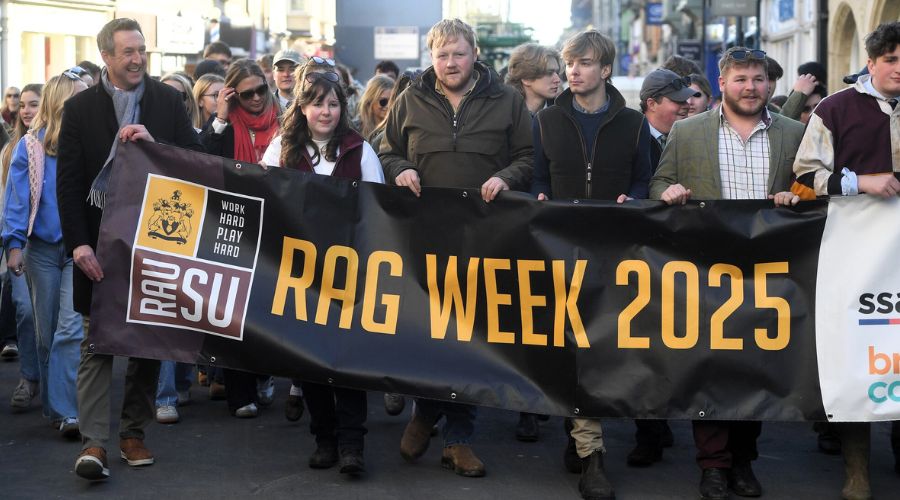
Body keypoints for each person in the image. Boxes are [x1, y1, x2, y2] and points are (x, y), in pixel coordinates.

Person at [650, 46, 805, 500]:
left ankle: (743, 460)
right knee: (710, 368)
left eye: (757, 79)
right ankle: (713, 465)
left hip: (769, 272)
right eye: (740, 79)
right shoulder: (688, 131)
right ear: (723, 84)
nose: (750, 87)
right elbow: (658, 183)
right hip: (707, 268)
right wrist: (669, 190)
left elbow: (813, 184)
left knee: (756, 369)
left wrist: (796, 196)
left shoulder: (794, 133)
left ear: (768, 83)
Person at [380, 18, 533, 478]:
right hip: (424, 241)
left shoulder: (507, 100)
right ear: (432, 58)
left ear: (475, 54)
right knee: (429, 337)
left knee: (473, 341)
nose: (451, 62)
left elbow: (529, 158)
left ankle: (456, 438)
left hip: (486, 240)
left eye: (459, 53)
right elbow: (384, 150)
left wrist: (505, 178)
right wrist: (400, 168)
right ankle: (427, 411)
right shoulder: (409, 99)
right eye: (442, 54)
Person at [56, 18, 203, 481]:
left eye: (142, 49)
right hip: (97, 243)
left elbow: (198, 163)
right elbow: (69, 184)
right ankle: (95, 442)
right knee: (95, 343)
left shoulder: (167, 100)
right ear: (106, 57)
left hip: (157, 241)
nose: (138, 58)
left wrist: (155, 148)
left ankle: (132, 433)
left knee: (146, 340)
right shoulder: (80, 110)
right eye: (128, 52)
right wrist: (78, 243)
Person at [531, 30, 651, 500]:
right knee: (572, 347)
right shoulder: (545, 120)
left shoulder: (634, 123)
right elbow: (540, 175)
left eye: (582, 63)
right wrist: (539, 196)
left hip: (616, 254)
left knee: (603, 351)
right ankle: (591, 454)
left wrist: (633, 199)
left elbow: (644, 180)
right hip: (561, 249)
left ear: (604, 69)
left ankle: (582, 442)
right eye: (568, 64)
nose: (572, 72)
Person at [792, 21, 900, 500]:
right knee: (863, 361)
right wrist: (863, 182)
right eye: (892, 59)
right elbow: (804, 177)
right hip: (857, 255)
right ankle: (857, 471)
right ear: (872, 63)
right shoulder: (835, 109)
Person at [262, 74, 384, 476]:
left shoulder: (359, 150)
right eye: (316, 104)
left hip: (348, 274)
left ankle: (353, 444)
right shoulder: (282, 147)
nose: (325, 112)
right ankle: (324, 438)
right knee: (310, 361)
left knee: (348, 359)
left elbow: (377, 208)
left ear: (342, 107)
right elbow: (262, 196)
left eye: (332, 104)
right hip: (298, 274)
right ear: (302, 107)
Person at [2, 72, 88, 439]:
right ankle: (56, 406)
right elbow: (17, 199)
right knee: (45, 330)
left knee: (70, 329)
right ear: (63, 103)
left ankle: (68, 412)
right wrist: (13, 245)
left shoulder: (87, 143)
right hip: (39, 248)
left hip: (77, 249)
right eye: (81, 99)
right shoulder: (29, 146)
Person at [200, 59, 279, 418]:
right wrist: (219, 115)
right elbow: (200, 159)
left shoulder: (285, 120)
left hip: (278, 225)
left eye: (261, 89)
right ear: (234, 94)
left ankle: (263, 373)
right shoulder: (225, 126)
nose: (257, 98)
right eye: (247, 94)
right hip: (233, 224)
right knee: (234, 311)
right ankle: (240, 393)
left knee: (268, 308)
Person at [1, 83, 41, 411]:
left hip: (46, 242)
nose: (26, 110)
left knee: (52, 318)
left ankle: (57, 385)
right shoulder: (10, 149)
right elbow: (9, 200)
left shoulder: (55, 146)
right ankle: (29, 376)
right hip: (18, 241)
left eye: (34, 104)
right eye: (23, 105)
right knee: (26, 311)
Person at [506, 42, 562, 116]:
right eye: (549, 73)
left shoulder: (562, 112)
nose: (557, 80)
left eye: (557, 72)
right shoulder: (503, 115)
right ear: (526, 78)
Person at [355, 74, 393, 140]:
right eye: (383, 101)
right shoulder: (356, 129)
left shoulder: (399, 127)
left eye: (392, 101)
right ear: (370, 101)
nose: (388, 106)